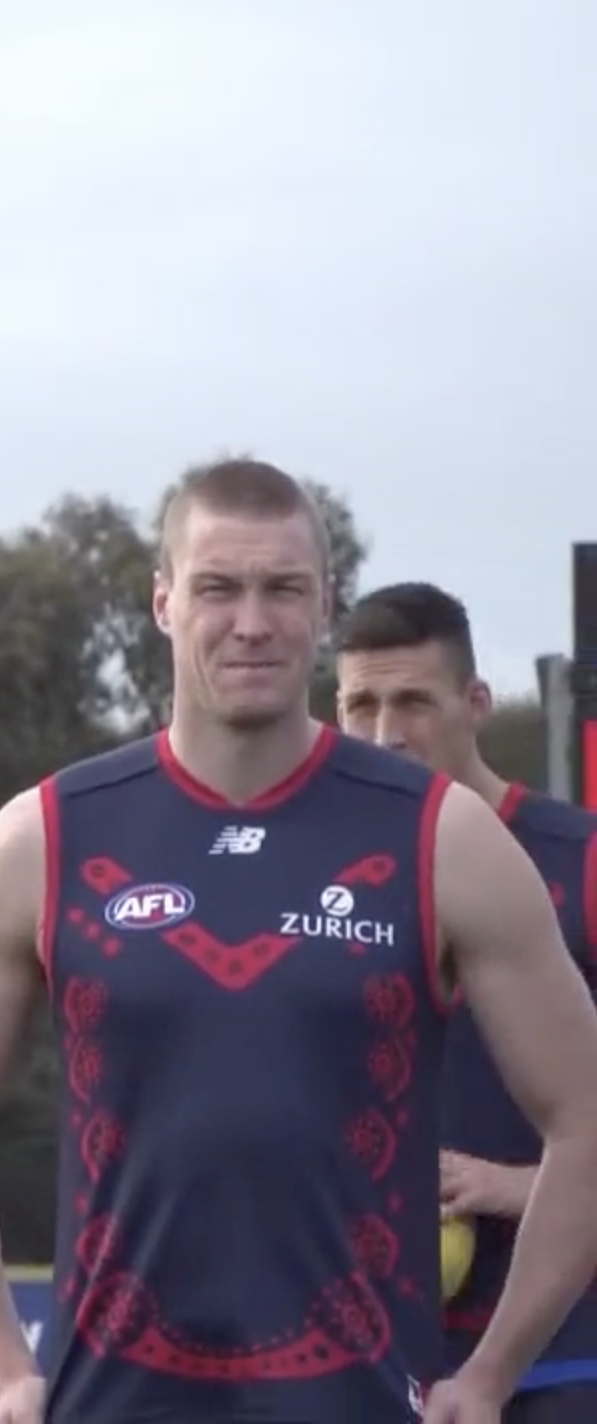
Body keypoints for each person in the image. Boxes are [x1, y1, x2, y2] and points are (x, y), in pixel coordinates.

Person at [0, 456, 597, 1424]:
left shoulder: (441, 838)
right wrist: (8, 1363)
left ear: (323, 606)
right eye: (218, 587)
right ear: (163, 601)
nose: (252, 622)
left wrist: (490, 1372)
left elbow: (586, 1114)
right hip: (113, 1397)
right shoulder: (45, 836)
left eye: (283, 589)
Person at [337, 581, 597, 1423]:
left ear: (476, 702)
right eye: (359, 705)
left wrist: (528, 1188)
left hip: (566, 1360)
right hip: (366, 1357)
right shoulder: (309, 878)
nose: (384, 735)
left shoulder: (579, 864)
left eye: (412, 701)